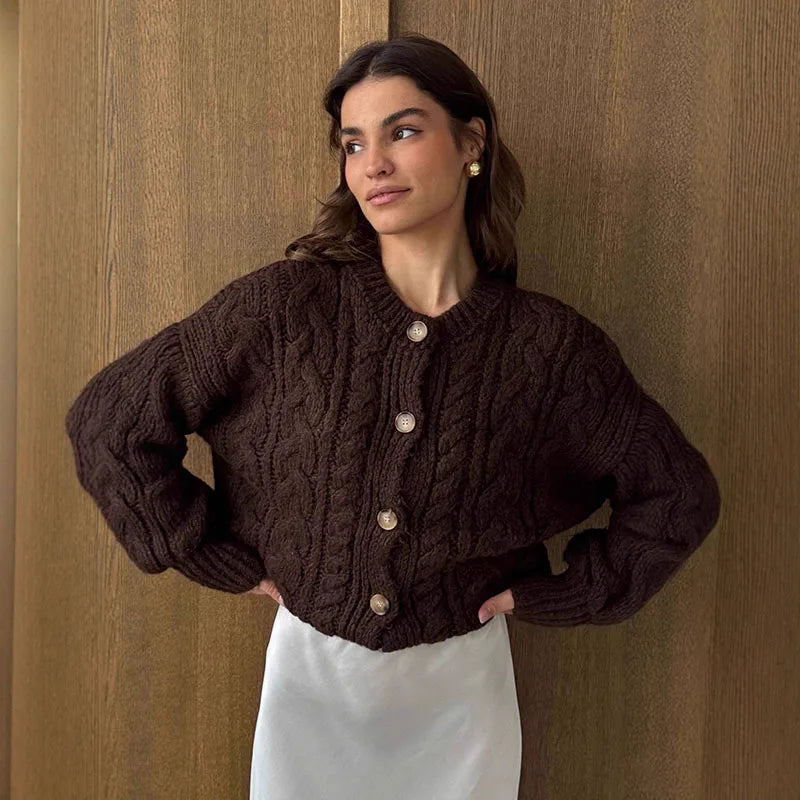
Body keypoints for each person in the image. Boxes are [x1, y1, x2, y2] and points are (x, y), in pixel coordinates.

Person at [64, 33, 721, 800]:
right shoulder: (283, 310)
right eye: (353, 142)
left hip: (460, 689)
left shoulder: (551, 350)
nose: (372, 163)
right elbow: (111, 421)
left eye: (402, 131)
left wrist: (562, 593)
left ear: (470, 141)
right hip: (311, 678)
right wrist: (208, 550)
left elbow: (678, 496)